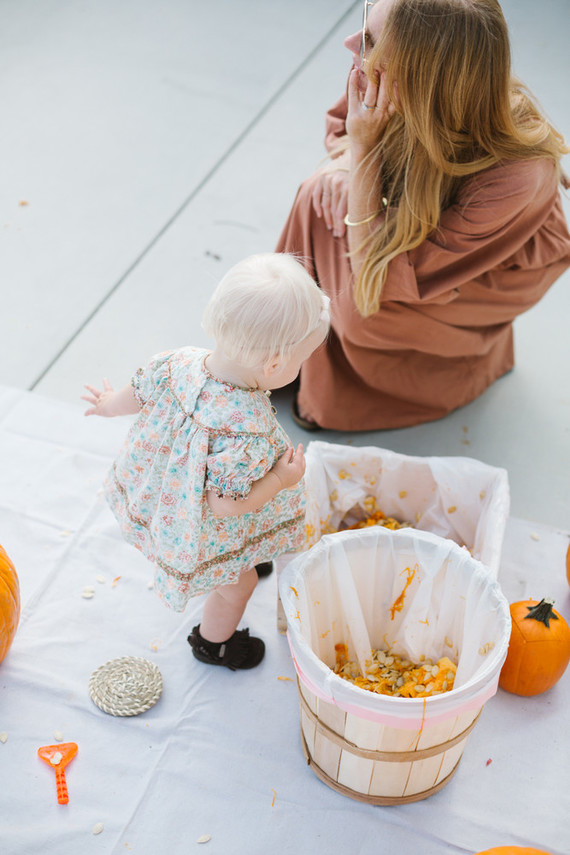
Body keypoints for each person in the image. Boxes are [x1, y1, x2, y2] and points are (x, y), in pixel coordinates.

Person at [277, 0, 570, 432]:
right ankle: (287, 350)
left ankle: (344, 395)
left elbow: (383, 277)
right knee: (317, 195)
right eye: (364, 22)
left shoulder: (521, 174)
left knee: (360, 311)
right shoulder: (392, 81)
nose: (351, 42)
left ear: (421, 73)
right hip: (411, 234)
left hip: (473, 272)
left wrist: (363, 151)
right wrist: (343, 164)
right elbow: (343, 126)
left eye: (370, 40)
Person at [82, 253, 330, 670]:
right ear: (274, 365)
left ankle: (250, 550)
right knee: (238, 586)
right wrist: (279, 479)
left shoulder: (177, 362)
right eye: (302, 360)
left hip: (166, 493)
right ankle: (214, 643)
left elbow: (136, 393)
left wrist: (107, 405)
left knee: (243, 553)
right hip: (199, 526)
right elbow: (226, 503)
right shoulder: (245, 433)